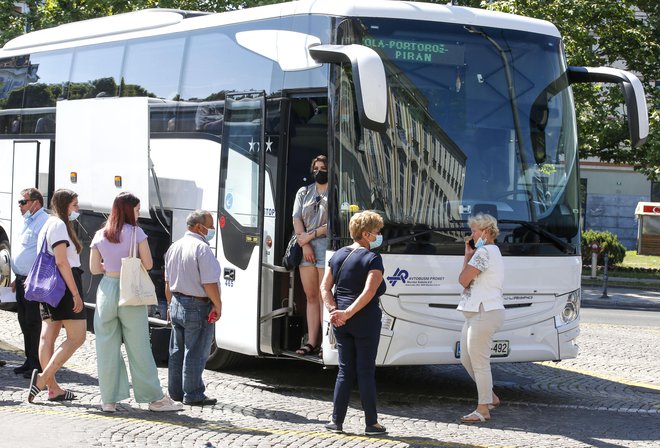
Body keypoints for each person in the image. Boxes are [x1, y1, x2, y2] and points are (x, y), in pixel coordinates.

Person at [89, 192, 183, 413]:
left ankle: (109, 400)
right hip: (129, 291)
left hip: (107, 289)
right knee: (139, 347)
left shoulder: (100, 234)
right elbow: (149, 264)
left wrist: (108, 266)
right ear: (128, 210)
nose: (138, 213)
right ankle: (154, 399)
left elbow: (94, 269)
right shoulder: (136, 233)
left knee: (106, 347)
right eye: (137, 209)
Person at [320, 210, 387, 435]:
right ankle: (371, 424)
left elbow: (324, 287)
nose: (379, 235)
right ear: (366, 234)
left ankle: (336, 422)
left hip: (341, 322)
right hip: (364, 320)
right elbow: (370, 291)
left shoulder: (338, 255)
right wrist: (348, 312)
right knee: (365, 371)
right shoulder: (373, 258)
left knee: (344, 371)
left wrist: (334, 311)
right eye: (377, 232)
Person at [27, 189, 86, 403]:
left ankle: (53, 389)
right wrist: (75, 293)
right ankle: (43, 380)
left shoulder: (48, 224)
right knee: (77, 337)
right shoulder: (60, 225)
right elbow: (62, 261)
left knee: (47, 337)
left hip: (49, 285)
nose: (77, 209)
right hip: (63, 284)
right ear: (65, 205)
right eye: (74, 205)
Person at [164, 210, 222, 406]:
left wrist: (170, 306)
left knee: (177, 350)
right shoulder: (202, 249)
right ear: (199, 227)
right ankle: (193, 393)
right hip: (197, 305)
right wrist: (218, 304)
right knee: (196, 350)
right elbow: (209, 283)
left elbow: (167, 282)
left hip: (177, 302)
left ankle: (176, 392)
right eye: (211, 226)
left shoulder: (174, 247)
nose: (213, 229)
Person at [457, 213, 505, 423]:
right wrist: (468, 255)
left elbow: (463, 279)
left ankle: (483, 409)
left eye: (474, 230)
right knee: (466, 358)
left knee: (479, 362)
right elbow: (466, 281)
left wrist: (469, 257)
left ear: (485, 232)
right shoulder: (489, 251)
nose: (472, 235)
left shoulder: (484, 252)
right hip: (478, 312)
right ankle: (490, 396)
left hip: (484, 312)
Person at [292, 155, 329, 356]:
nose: (319, 171)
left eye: (323, 168)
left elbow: (334, 222)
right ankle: (311, 341)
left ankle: (325, 343)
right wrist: (304, 243)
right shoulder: (304, 191)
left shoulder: (336, 192)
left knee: (325, 296)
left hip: (325, 246)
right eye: (315, 168)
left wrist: (310, 236)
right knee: (311, 296)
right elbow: (296, 218)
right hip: (305, 246)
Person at [10, 188, 49, 379]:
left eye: (22, 202)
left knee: (34, 322)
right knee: (24, 320)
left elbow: (43, 253)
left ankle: (37, 363)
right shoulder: (27, 221)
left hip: (32, 281)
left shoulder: (43, 221)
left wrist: (31, 277)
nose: (19, 205)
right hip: (21, 279)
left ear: (35, 202)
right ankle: (29, 360)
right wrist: (17, 274)